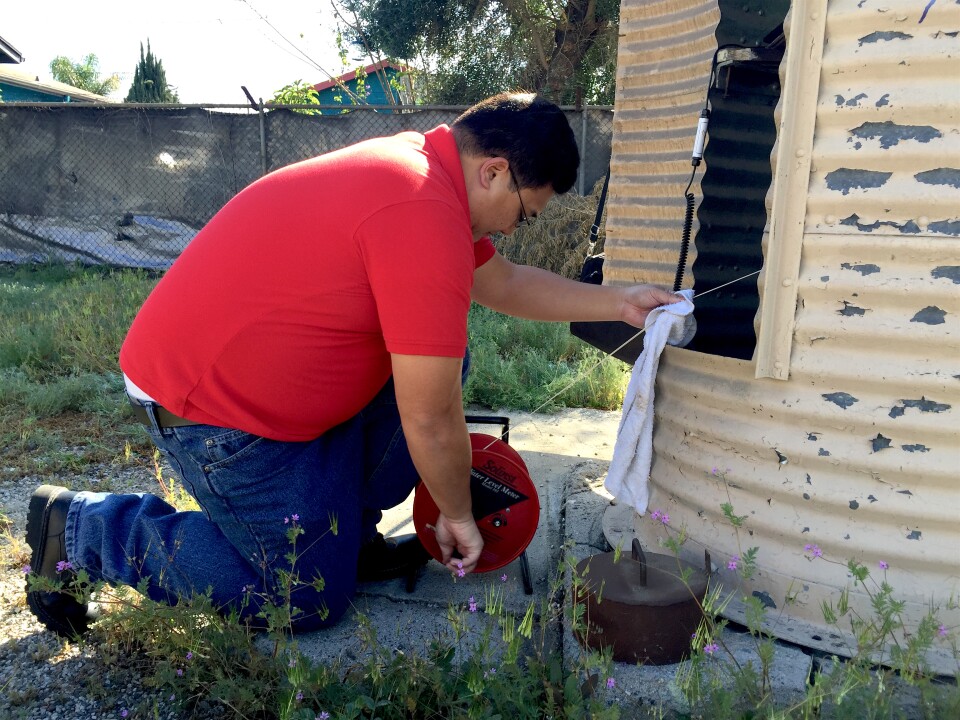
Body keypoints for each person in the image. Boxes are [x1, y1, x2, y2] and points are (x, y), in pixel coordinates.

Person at [25, 92, 680, 637]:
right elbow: (428, 419)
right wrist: (456, 514)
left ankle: (347, 536)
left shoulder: (426, 174)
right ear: (495, 171)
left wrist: (618, 302)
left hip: (254, 393)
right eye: (523, 211)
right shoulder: (422, 209)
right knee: (304, 596)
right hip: (215, 416)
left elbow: (501, 282)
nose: (513, 227)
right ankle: (83, 530)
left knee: (444, 360)